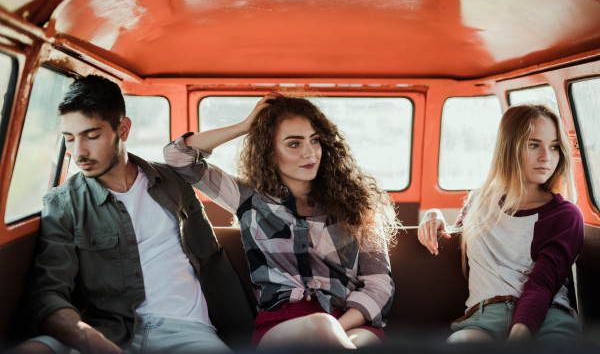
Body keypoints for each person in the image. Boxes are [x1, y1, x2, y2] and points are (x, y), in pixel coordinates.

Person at [13, 75, 254, 354]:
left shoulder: (172, 180)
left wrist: (244, 334)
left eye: (92, 136)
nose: (78, 153)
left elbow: (212, 259)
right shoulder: (63, 202)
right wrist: (89, 339)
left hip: (187, 331)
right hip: (108, 331)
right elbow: (48, 293)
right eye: (69, 139)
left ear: (123, 129)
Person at [163, 92, 399, 349]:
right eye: (294, 144)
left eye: (315, 140)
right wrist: (245, 126)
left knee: (338, 335)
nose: (310, 153)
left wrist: (335, 331)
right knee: (321, 327)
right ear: (269, 151)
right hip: (280, 324)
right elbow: (178, 156)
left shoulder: (359, 204)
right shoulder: (248, 199)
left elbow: (379, 284)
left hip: (351, 323)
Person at [418, 104, 583, 342]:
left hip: (548, 316)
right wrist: (434, 214)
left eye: (554, 146)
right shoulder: (480, 200)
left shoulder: (565, 216)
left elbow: (541, 286)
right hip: (485, 317)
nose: (546, 157)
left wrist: (516, 341)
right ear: (509, 148)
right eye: (533, 144)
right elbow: (457, 235)